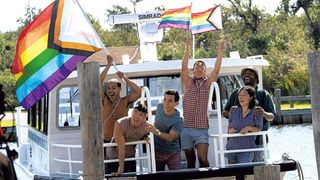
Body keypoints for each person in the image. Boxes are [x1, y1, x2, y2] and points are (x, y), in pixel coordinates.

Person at [180, 35, 225, 168]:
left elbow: (216, 69)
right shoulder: (188, 82)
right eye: (197, 65)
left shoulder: (208, 83)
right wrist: (187, 48)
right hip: (186, 128)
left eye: (202, 65)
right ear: (193, 70)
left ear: (205, 71)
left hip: (201, 129)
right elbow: (183, 67)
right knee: (190, 160)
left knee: (203, 159)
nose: (199, 66)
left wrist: (220, 51)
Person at [223, 66, 275, 162]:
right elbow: (225, 112)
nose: (247, 75)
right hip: (236, 140)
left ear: (256, 78)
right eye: (245, 74)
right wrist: (231, 113)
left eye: (250, 74)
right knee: (236, 170)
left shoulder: (264, 94)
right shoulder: (236, 93)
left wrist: (264, 114)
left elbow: (272, 116)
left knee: (258, 169)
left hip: (258, 141)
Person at [100, 55, 142, 143]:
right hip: (107, 141)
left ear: (120, 89)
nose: (111, 91)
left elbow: (139, 91)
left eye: (114, 88)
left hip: (123, 140)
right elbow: (99, 81)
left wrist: (125, 78)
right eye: (109, 88)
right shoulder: (105, 100)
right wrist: (108, 65)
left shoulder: (125, 101)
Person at [105, 104, 149, 176]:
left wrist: (146, 137)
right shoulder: (120, 124)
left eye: (140, 114)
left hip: (130, 157)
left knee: (132, 178)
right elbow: (121, 148)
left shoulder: (146, 126)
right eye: (135, 112)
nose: (136, 116)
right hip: (113, 158)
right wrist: (121, 170)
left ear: (145, 117)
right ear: (131, 112)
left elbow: (154, 131)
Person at [145, 90, 183, 171]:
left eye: (170, 101)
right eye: (165, 99)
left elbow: (170, 137)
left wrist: (155, 131)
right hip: (157, 152)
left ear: (176, 103)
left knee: (178, 176)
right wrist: (146, 114)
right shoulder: (159, 107)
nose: (166, 103)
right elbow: (157, 112)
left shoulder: (178, 120)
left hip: (172, 154)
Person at [226, 86, 263, 164]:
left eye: (244, 95)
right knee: (232, 175)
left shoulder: (257, 111)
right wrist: (230, 129)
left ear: (251, 97)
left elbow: (259, 129)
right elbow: (229, 124)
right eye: (239, 95)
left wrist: (248, 128)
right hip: (231, 149)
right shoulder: (233, 110)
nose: (241, 97)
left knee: (243, 173)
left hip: (246, 150)